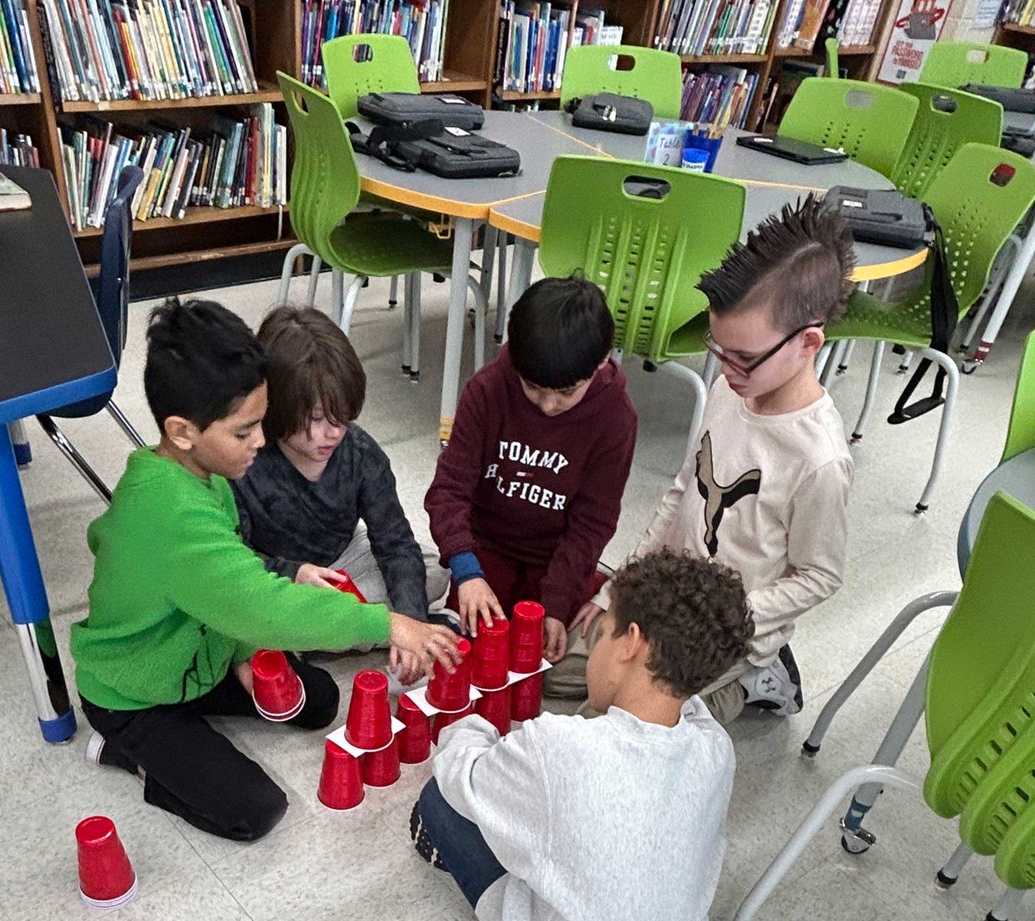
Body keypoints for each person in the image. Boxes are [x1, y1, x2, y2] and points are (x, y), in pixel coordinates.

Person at [71, 298, 459, 842]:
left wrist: (248, 656)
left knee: (318, 699)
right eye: (245, 430)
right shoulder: (171, 515)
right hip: (134, 692)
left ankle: (193, 721)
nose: (261, 441)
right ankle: (129, 753)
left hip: (199, 656)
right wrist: (389, 624)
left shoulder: (205, 474)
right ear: (182, 431)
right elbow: (258, 603)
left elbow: (234, 597)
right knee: (254, 811)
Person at [546, 196, 855, 722]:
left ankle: (761, 675)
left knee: (618, 725)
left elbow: (820, 575)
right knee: (554, 679)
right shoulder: (729, 392)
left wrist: (735, 616)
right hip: (667, 601)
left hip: (729, 630)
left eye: (743, 357)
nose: (727, 368)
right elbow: (680, 492)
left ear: (808, 343)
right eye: (718, 348)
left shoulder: (819, 460)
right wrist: (620, 584)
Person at [409, 550, 754, 921]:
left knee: (438, 800)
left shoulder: (559, 746)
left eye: (601, 632)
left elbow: (459, 772)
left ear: (630, 643)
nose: (591, 646)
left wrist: (471, 726)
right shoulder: (717, 747)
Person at [231, 305, 450, 685]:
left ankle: (326, 634)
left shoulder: (360, 454)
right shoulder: (247, 462)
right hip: (283, 578)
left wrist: (410, 623)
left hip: (345, 560)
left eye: (342, 416)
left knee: (433, 571)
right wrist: (291, 573)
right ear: (277, 407)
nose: (332, 433)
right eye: (316, 420)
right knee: (240, 612)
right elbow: (232, 558)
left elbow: (395, 542)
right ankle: (342, 629)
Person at [423, 274, 637, 665]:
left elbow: (591, 524)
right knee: (466, 647)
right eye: (533, 388)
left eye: (567, 392)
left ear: (602, 360)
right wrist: (467, 570)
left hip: (554, 559)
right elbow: (449, 490)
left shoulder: (616, 419)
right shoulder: (488, 389)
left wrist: (556, 604)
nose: (548, 405)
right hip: (486, 549)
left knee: (584, 656)